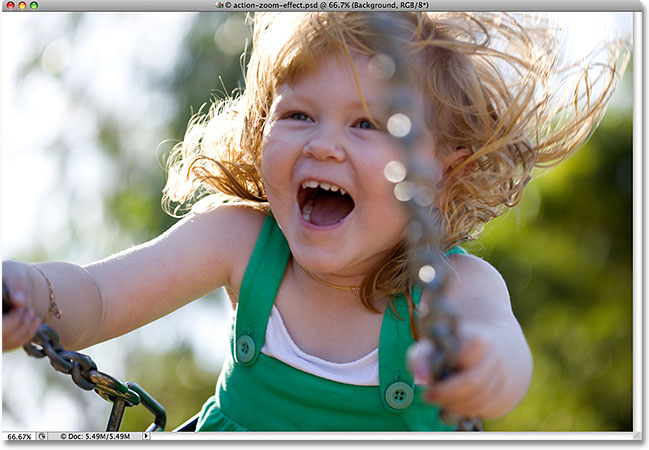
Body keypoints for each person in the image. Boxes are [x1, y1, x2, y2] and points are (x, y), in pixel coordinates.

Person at [2, 12, 629, 431]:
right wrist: (30, 290)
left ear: (445, 174)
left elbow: (502, 345)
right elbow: (101, 294)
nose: (325, 145)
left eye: (367, 125)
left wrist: (485, 365)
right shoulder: (239, 242)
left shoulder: (454, 288)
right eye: (299, 115)